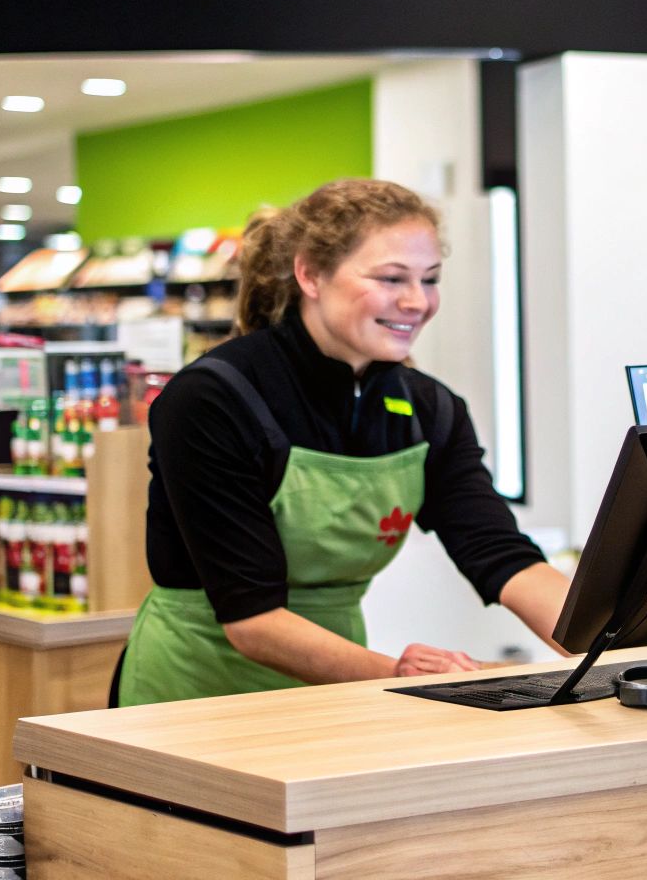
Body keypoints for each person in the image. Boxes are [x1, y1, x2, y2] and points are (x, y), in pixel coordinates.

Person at [116, 179, 570, 706]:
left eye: (430, 279)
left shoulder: (430, 409)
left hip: (340, 688)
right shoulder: (215, 398)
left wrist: (607, 648)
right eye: (391, 278)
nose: (416, 302)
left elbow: (501, 555)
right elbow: (252, 619)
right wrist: (405, 677)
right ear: (310, 273)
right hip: (196, 692)